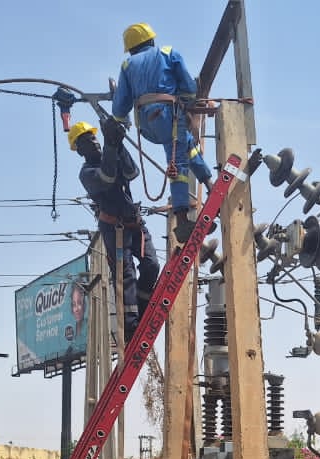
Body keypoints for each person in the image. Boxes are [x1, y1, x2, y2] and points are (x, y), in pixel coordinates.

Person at [111, 22, 216, 240]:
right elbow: (188, 85)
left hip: (147, 126)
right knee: (177, 162)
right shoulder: (167, 53)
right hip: (168, 114)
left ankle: (209, 183)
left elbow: (120, 104)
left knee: (187, 147)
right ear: (151, 40)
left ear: (131, 48)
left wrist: (120, 121)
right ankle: (182, 220)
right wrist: (188, 100)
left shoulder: (127, 65)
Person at [68, 120, 160, 342]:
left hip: (134, 223)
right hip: (114, 229)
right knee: (126, 274)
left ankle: (142, 310)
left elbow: (132, 172)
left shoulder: (111, 152)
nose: (95, 142)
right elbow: (107, 178)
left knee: (151, 265)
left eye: (95, 137)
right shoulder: (87, 173)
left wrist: (118, 144)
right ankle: (129, 328)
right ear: (80, 150)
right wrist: (110, 145)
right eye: (88, 140)